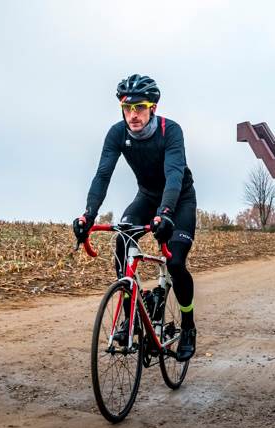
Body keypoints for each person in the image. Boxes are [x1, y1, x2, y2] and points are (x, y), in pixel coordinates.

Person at [72, 74, 198, 362]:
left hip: (178, 200)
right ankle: (129, 314)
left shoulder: (171, 131)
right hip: (147, 196)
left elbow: (174, 176)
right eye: (127, 108)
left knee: (176, 263)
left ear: (152, 107)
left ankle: (188, 326)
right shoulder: (117, 133)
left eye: (139, 108)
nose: (133, 115)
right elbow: (102, 175)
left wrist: (165, 213)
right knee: (121, 241)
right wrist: (88, 215)